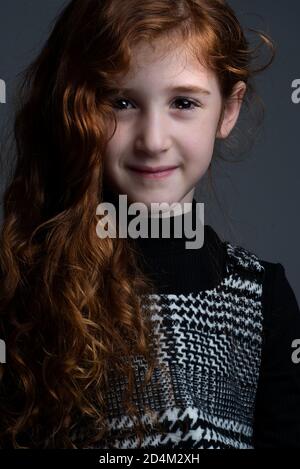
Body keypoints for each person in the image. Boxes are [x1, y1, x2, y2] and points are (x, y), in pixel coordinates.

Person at [0, 0, 299, 449]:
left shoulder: (263, 297)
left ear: (228, 110)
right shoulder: (24, 279)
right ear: (76, 108)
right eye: (121, 102)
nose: (153, 140)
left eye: (183, 102)